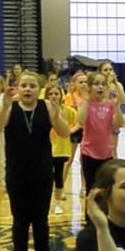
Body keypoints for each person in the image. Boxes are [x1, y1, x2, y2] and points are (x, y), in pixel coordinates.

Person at [0, 72, 68, 251]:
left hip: (42, 171)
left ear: (38, 89)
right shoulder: (10, 108)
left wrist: (57, 114)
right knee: (20, 219)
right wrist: (4, 106)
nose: (28, 89)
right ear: (17, 88)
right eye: (24, 85)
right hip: (16, 173)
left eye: (32, 85)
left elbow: (65, 132)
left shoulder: (47, 107)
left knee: (41, 219)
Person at [78, 71, 124, 196]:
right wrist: (86, 101)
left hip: (106, 153)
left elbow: (119, 123)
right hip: (89, 153)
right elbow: (81, 121)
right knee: (91, 189)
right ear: (89, 87)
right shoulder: (85, 104)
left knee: (105, 189)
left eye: (103, 84)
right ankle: (90, 215)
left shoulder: (109, 105)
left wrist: (117, 106)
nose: (100, 87)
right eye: (96, 84)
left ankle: (104, 215)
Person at [47, 84, 77, 215]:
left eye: (56, 93)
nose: (53, 96)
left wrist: (70, 131)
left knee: (58, 177)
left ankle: (57, 203)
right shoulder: (43, 110)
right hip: (46, 149)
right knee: (46, 178)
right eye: (51, 94)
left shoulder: (67, 111)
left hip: (61, 149)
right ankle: (45, 203)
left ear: (61, 95)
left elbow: (79, 121)